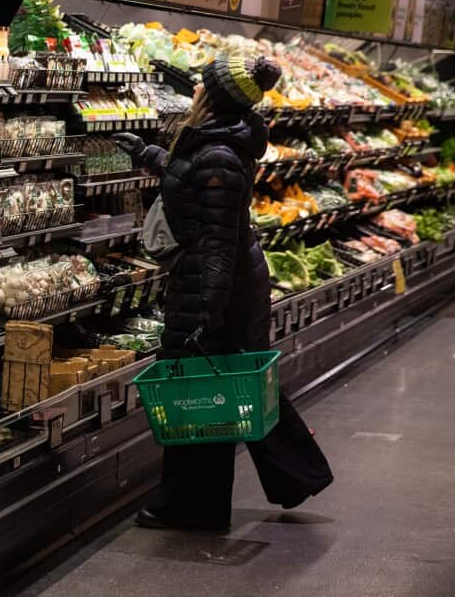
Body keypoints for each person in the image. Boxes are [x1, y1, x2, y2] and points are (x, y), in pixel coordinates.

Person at [112, 54, 333, 531]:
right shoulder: (219, 141)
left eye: (200, 85)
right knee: (234, 385)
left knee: (201, 394)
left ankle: (194, 506)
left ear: (213, 97)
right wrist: (147, 155)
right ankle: (293, 476)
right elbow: (195, 182)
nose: (193, 90)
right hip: (224, 283)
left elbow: (216, 243)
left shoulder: (219, 153)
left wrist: (204, 315)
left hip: (218, 286)